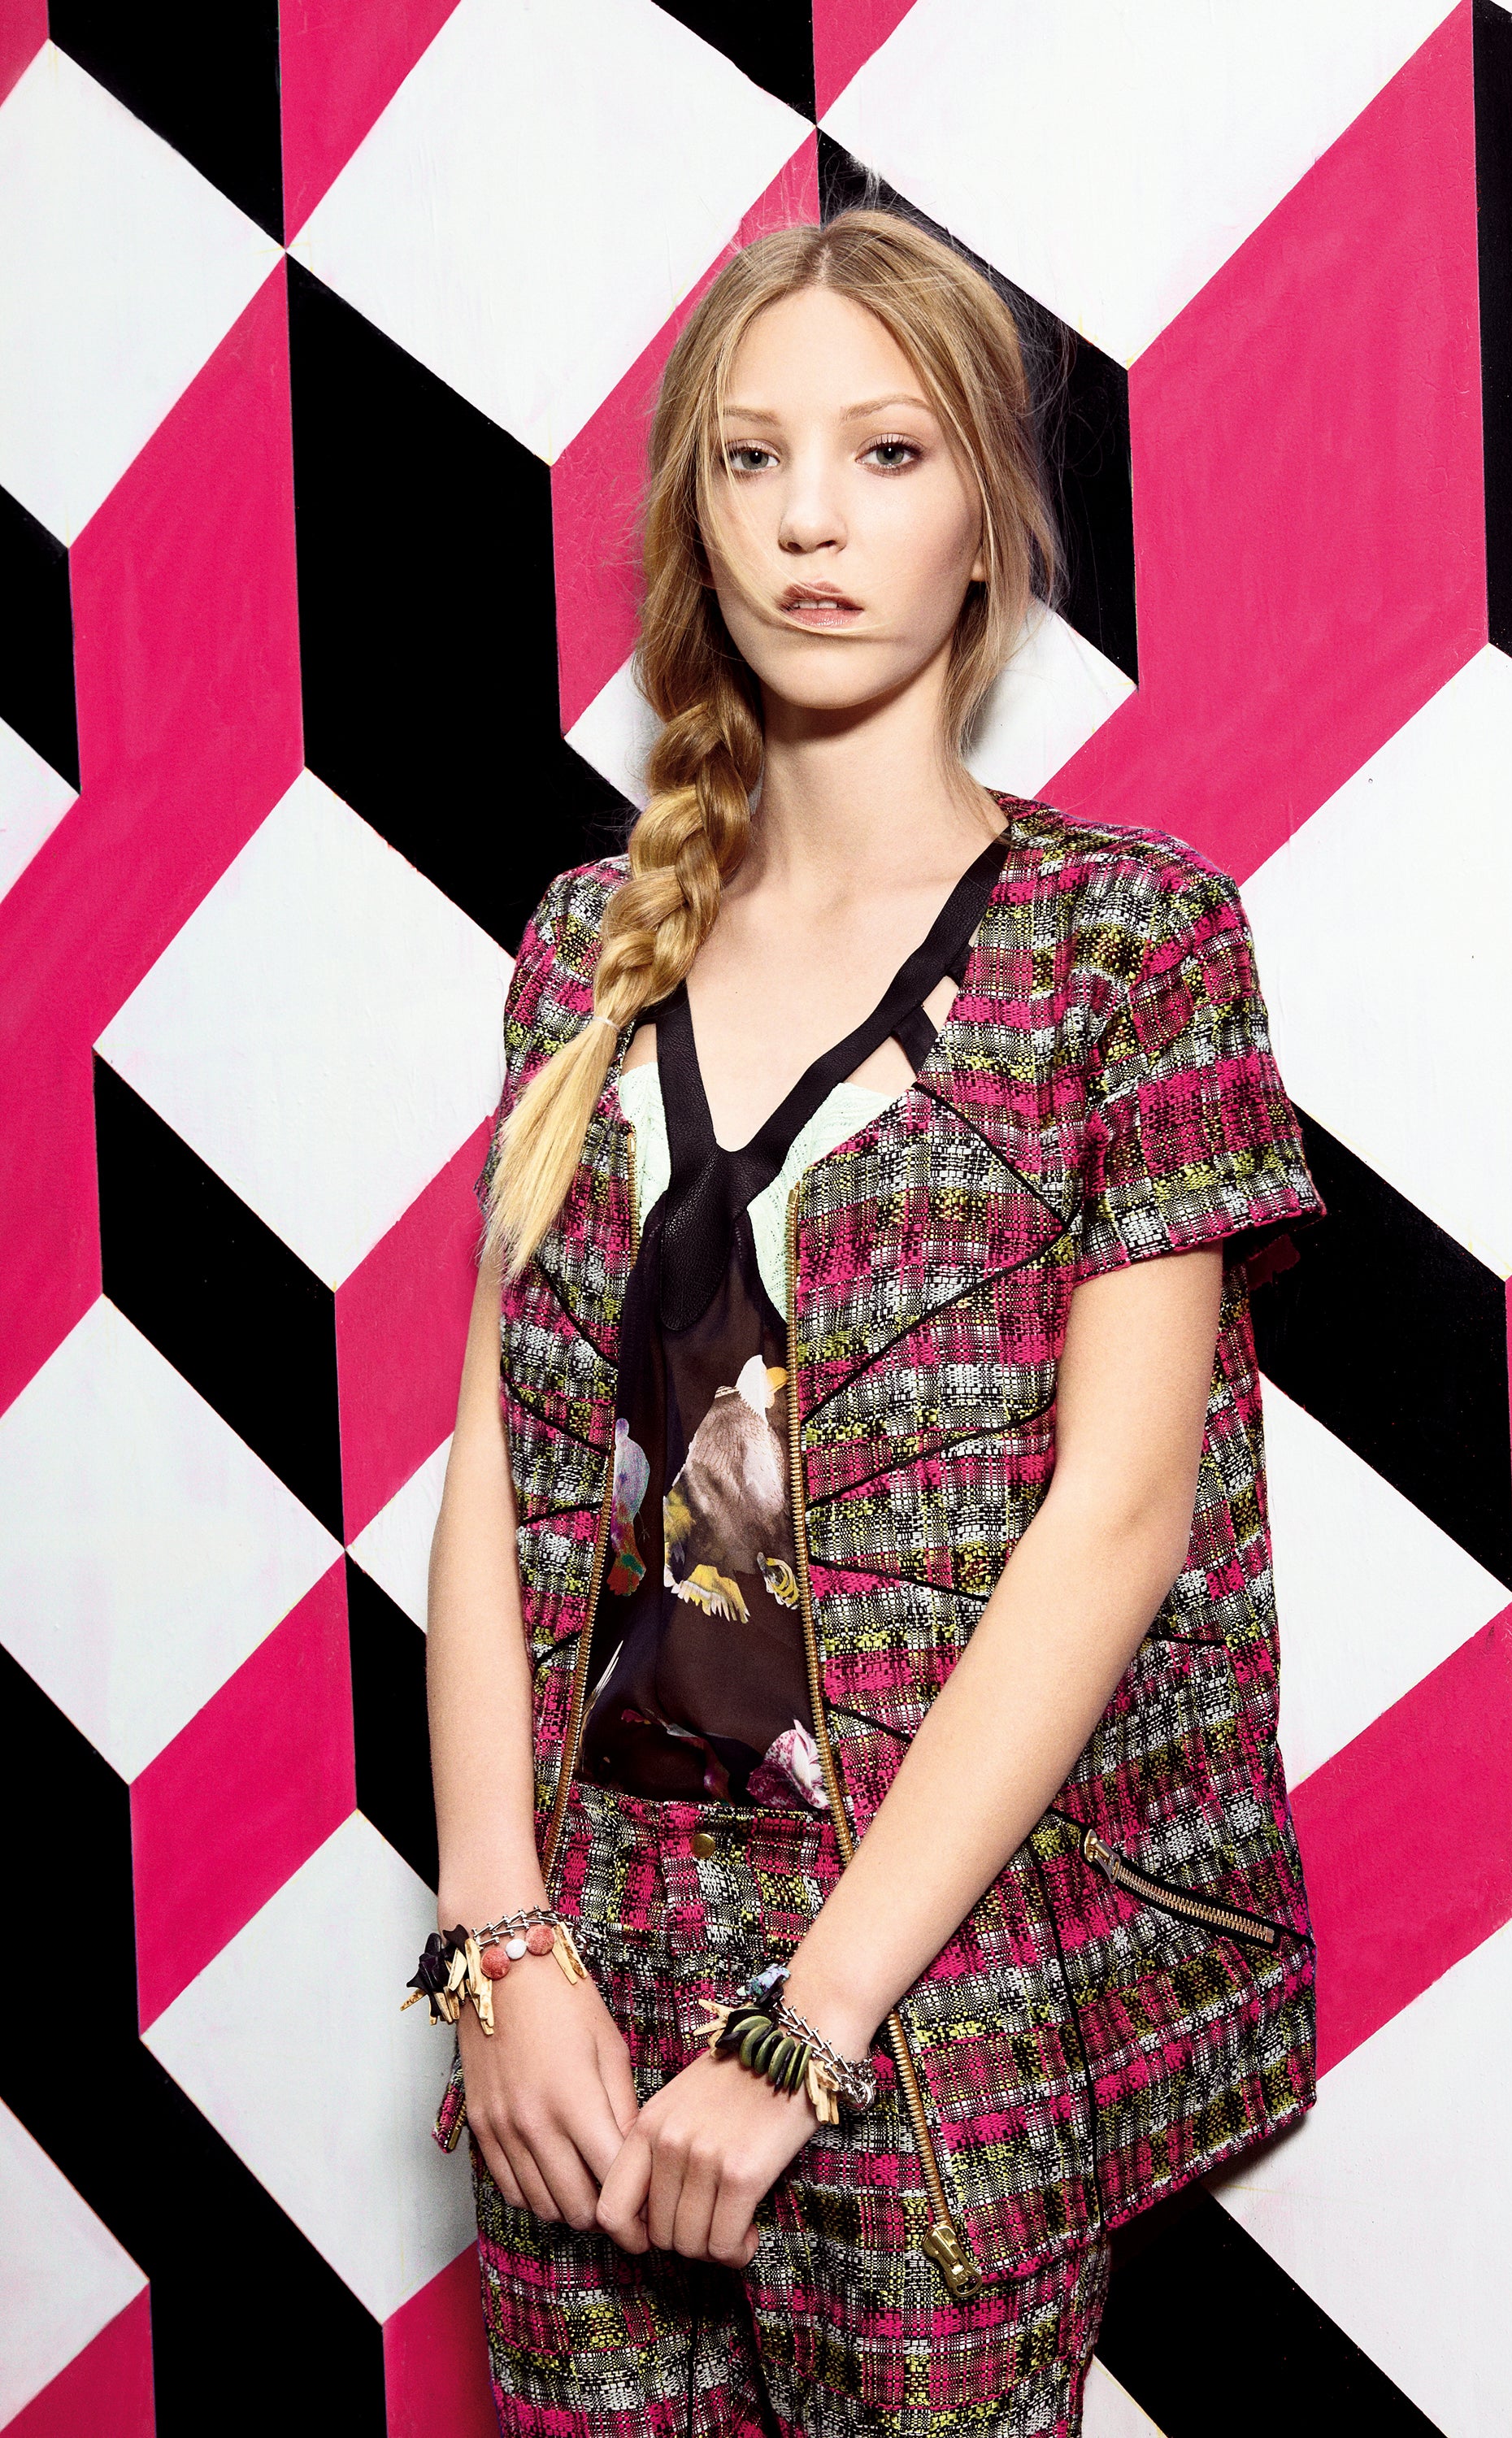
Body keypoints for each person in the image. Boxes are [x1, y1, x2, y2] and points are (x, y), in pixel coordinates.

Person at [420, 208, 1323, 2438]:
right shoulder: (580, 944)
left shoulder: (1129, 944)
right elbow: (498, 1473)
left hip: (929, 1985)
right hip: (581, 1966)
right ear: (694, 516)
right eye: (751, 459)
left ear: (988, 525)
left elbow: (1119, 1522)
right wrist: (499, 1949)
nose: (810, 518)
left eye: (887, 453)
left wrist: (807, 2029)